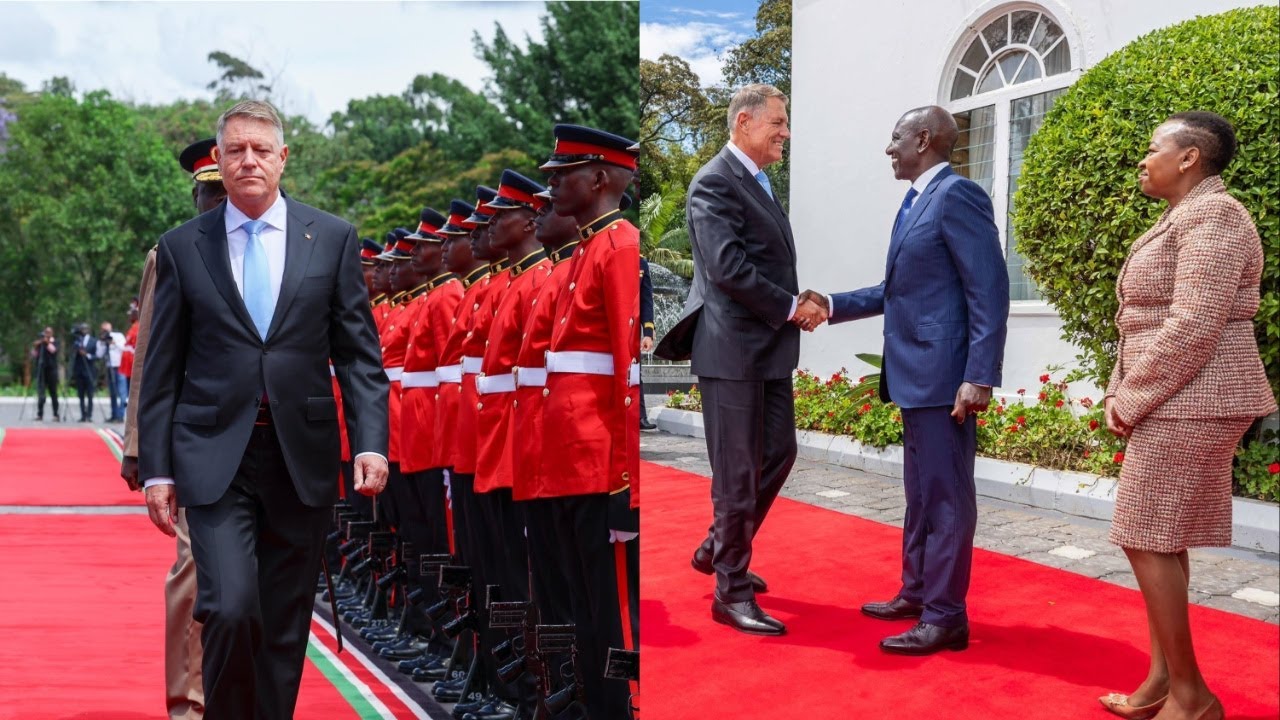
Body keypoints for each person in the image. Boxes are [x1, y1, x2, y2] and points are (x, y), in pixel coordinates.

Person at [137, 100, 390, 720]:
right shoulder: (180, 248)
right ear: (218, 163)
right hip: (212, 457)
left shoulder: (330, 239)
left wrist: (370, 440)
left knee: (282, 625)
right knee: (228, 606)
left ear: (283, 159)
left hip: (299, 459)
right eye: (235, 150)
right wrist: (156, 470)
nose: (247, 160)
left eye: (260, 149)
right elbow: (160, 369)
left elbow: (358, 354)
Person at [803, 105, 1008, 655]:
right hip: (915, 377)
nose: (888, 149)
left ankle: (947, 616)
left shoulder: (958, 196)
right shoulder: (915, 202)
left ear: (924, 138)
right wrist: (832, 303)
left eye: (895, 138)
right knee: (920, 495)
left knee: (945, 499)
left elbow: (988, 289)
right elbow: (898, 289)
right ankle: (918, 592)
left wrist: (979, 374)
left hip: (945, 381)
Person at [1097, 111, 1275, 720]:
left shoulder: (1216, 216)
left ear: (1190, 158)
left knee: (1145, 536)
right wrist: (1126, 387)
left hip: (1200, 397)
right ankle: (1161, 683)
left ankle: (1193, 696)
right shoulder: (1187, 215)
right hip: (1180, 395)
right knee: (1157, 537)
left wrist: (1130, 395)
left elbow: (1193, 324)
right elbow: (1149, 322)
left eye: (1153, 149)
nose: (1144, 160)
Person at [655, 83, 816, 636]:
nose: (786, 133)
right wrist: (793, 307)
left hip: (766, 348)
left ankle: (719, 546)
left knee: (780, 452)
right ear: (744, 122)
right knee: (737, 472)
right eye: (778, 122)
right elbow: (727, 270)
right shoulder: (714, 182)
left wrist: (792, 307)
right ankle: (731, 590)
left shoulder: (758, 181)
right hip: (731, 351)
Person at [120, 136, 227, 720]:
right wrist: (141, 446)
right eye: (204, 193)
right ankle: (189, 703)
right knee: (192, 572)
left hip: (265, 438)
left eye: (220, 192)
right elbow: (152, 362)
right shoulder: (172, 254)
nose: (211, 203)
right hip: (193, 437)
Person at [540, 123, 640, 719]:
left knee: (610, 612)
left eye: (563, 176)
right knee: (582, 604)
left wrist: (626, 486)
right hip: (569, 459)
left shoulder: (620, 245)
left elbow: (629, 376)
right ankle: (596, 703)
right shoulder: (586, 248)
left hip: (600, 464)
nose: (553, 187)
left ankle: (621, 705)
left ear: (599, 179)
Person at [638, 256, 657, 430]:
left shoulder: (640, 263)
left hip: (630, 329)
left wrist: (648, 333)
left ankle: (640, 416)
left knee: (635, 371)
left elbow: (646, 299)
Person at [71, 322, 98, 422]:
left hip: (90, 371)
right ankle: (83, 415)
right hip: (79, 371)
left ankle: (89, 415)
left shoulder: (94, 341)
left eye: (84, 329)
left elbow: (97, 355)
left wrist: (87, 354)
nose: (83, 331)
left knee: (90, 394)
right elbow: (73, 353)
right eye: (81, 329)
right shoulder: (77, 341)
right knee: (81, 394)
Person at [99, 321, 126, 421]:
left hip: (119, 367)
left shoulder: (118, 336)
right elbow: (99, 354)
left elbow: (124, 347)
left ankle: (121, 415)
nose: (105, 331)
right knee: (112, 393)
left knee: (122, 392)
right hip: (109, 367)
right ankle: (114, 414)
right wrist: (102, 342)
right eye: (103, 329)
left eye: (106, 329)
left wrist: (113, 342)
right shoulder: (102, 339)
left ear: (111, 328)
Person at [32, 326, 60, 421]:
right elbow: (34, 355)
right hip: (42, 370)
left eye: (48, 332)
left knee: (53, 393)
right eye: (45, 332)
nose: (46, 334)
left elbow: (54, 350)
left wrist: (47, 342)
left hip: (52, 371)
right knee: (41, 394)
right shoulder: (40, 343)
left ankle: (56, 414)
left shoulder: (55, 342)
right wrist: (37, 346)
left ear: (52, 333)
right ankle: (40, 414)